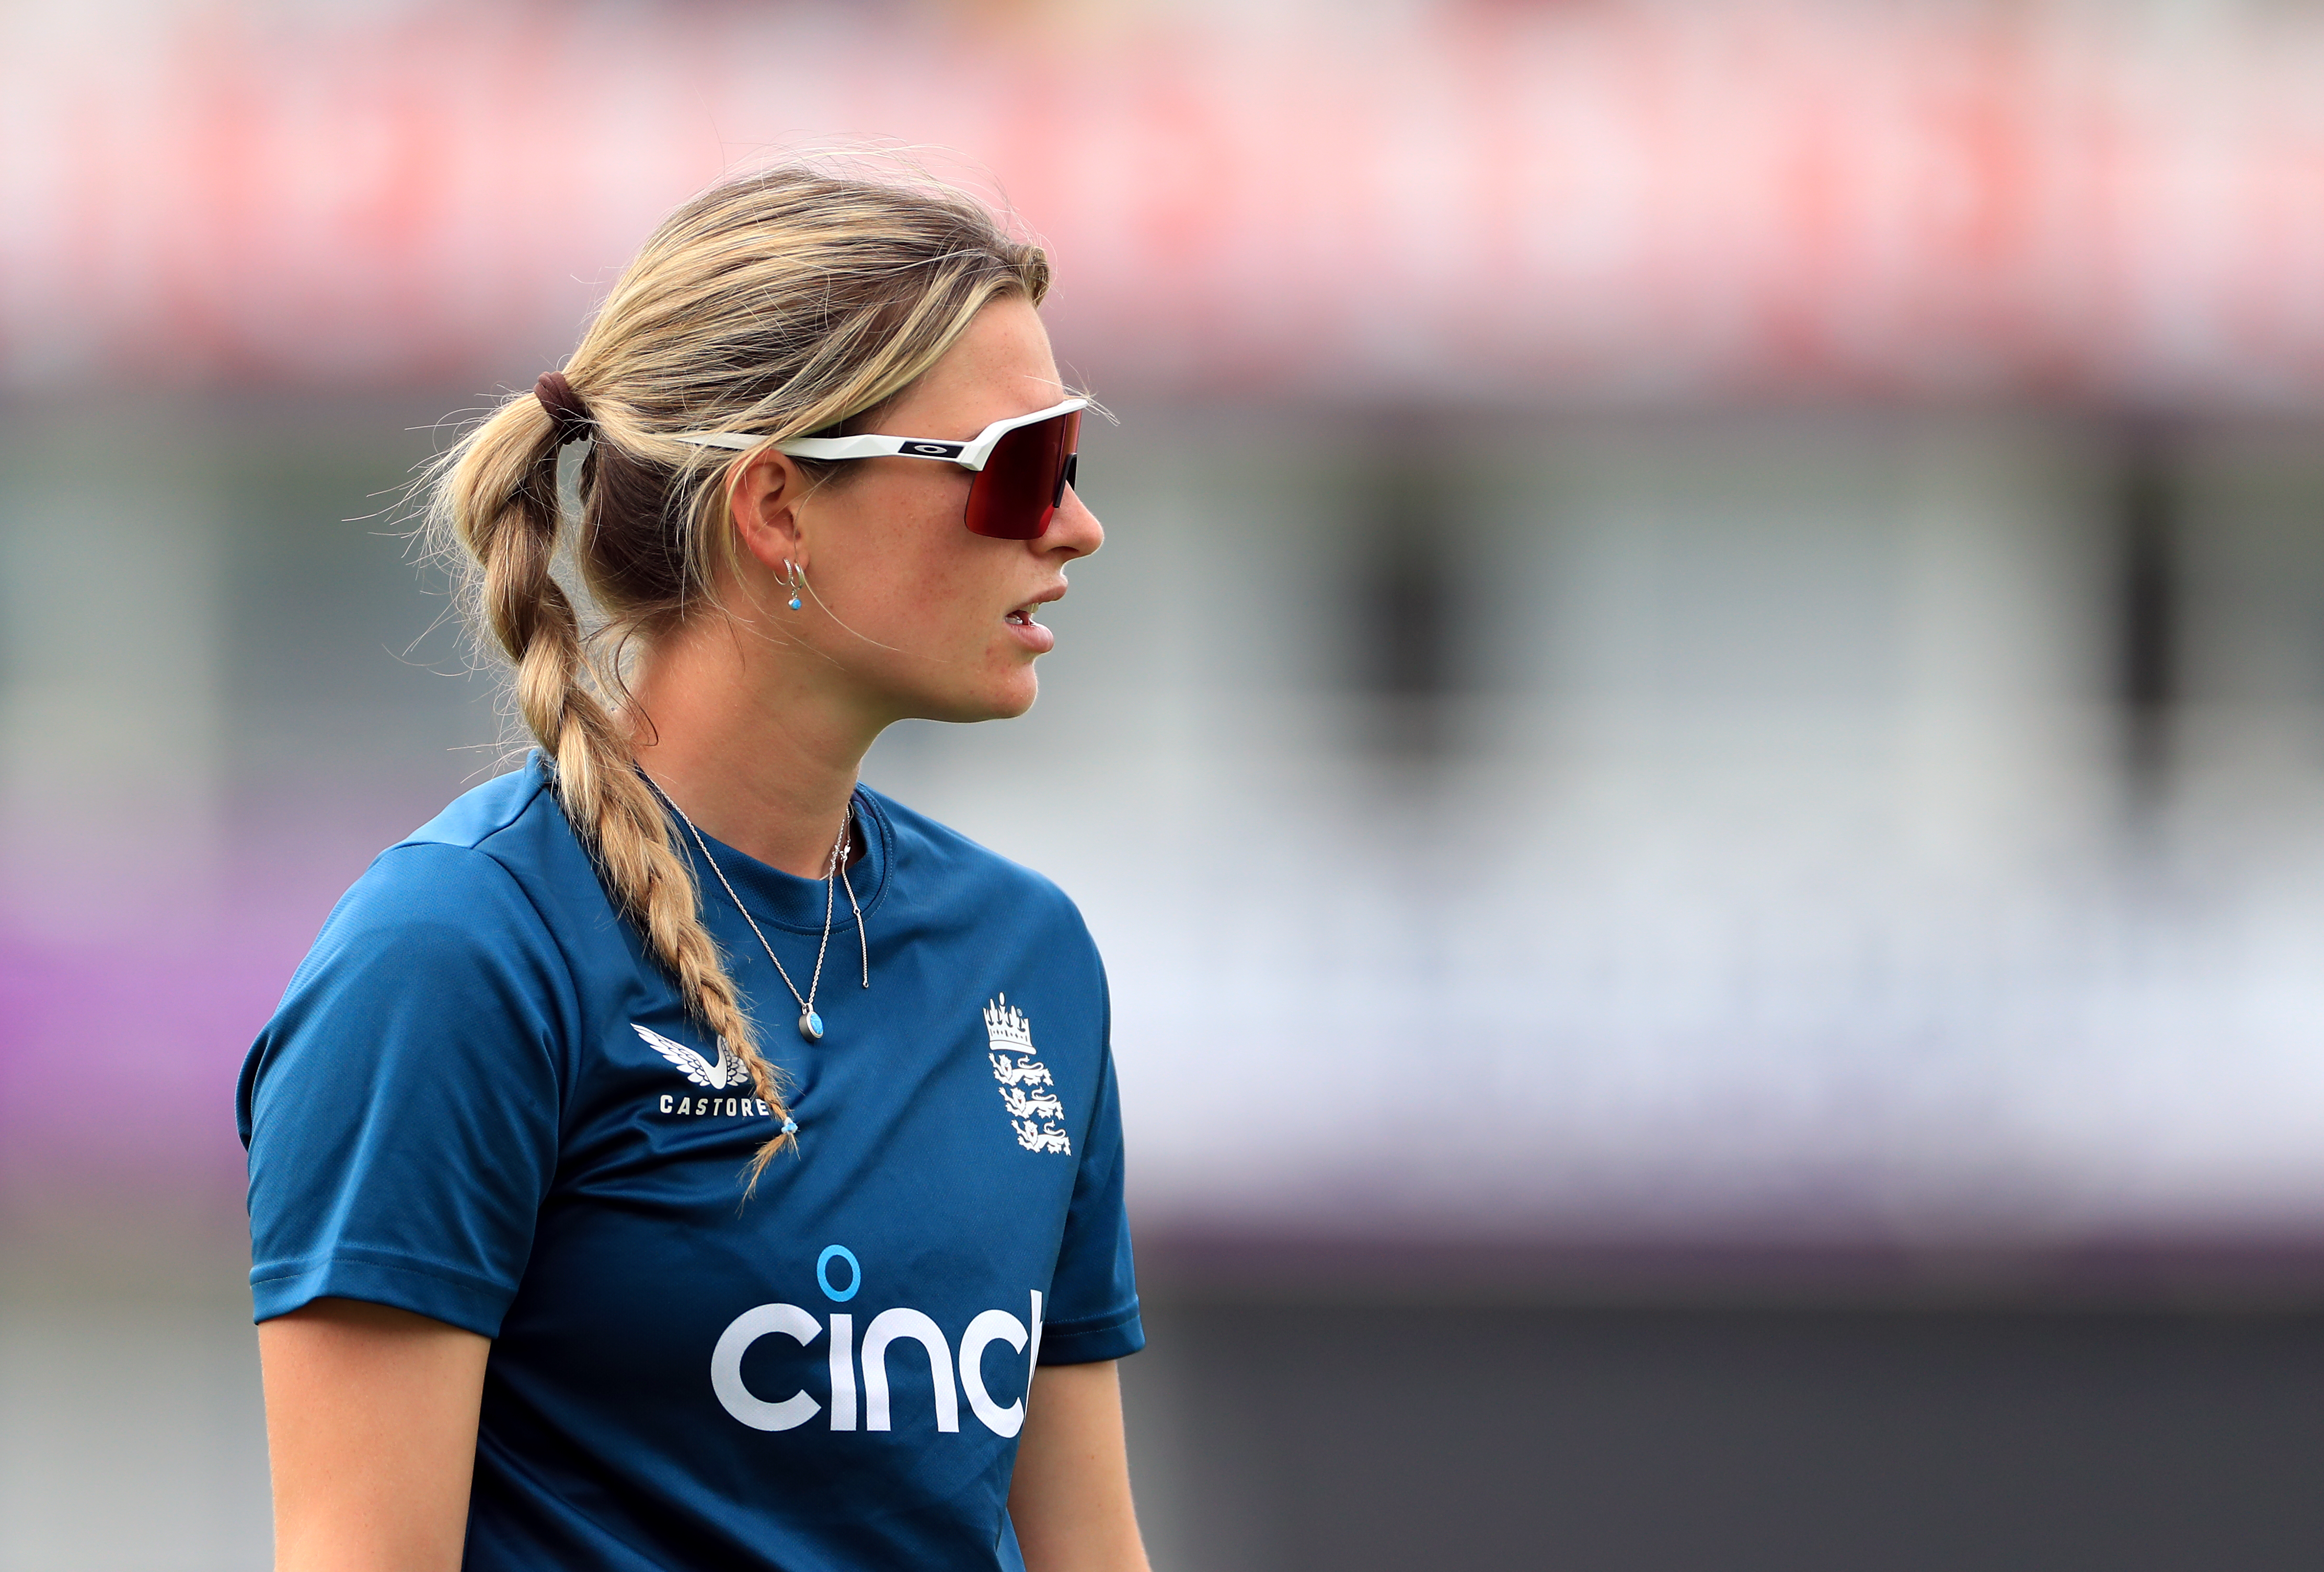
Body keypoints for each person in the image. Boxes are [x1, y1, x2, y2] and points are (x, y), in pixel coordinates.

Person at [237, 166, 1147, 1572]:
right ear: (776, 506)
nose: (1073, 525)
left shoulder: (1028, 958)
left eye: (1070, 461)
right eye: (1021, 466)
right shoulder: (459, 957)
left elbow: (1089, 1551)